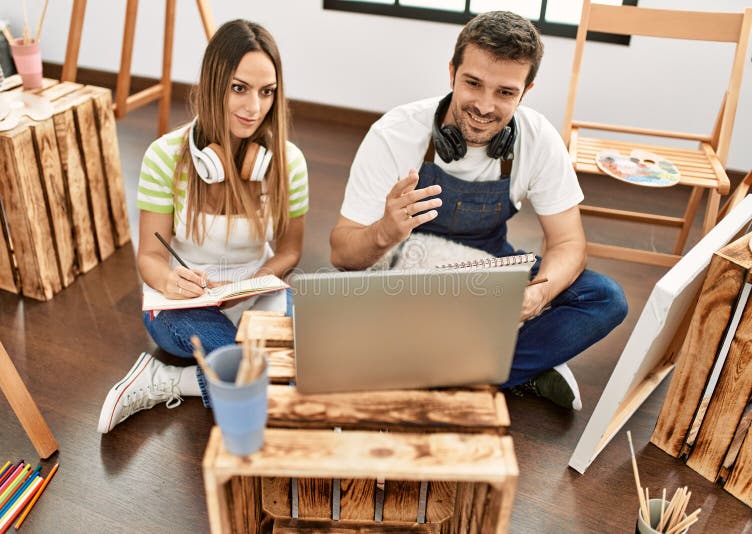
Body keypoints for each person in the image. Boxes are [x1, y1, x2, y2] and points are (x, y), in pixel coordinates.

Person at [329, 11, 627, 410]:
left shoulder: (538, 139)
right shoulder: (394, 133)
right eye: (473, 83)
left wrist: (538, 296)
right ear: (452, 72)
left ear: (526, 91)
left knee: (605, 298)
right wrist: (384, 231)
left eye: (505, 92)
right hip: (408, 274)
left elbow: (569, 243)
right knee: (336, 303)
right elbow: (342, 255)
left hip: (487, 269)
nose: (485, 106)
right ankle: (507, 367)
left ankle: (436, 376)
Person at [98, 20, 308, 433]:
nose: (254, 108)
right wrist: (170, 281)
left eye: (267, 92)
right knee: (257, 368)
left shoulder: (288, 162)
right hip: (185, 304)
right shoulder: (164, 157)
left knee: (304, 360)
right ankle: (245, 383)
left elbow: (290, 251)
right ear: (213, 84)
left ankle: (167, 380)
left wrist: (250, 285)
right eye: (239, 88)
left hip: (256, 290)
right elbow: (150, 257)